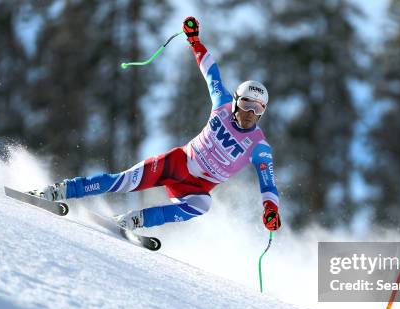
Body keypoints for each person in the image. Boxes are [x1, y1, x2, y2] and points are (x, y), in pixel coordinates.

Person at [31, 16, 281, 232]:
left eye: (257, 108)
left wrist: (271, 209)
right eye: (247, 103)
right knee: (124, 182)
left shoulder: (259, 146)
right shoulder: (222, 104)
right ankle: (60, 191)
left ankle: (136, 220)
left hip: (197, 187)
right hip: (177, 164)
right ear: (236, 101)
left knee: (202, 206)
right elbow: (210, 71)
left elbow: (268, 184)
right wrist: (194, 40)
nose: (250, 112)